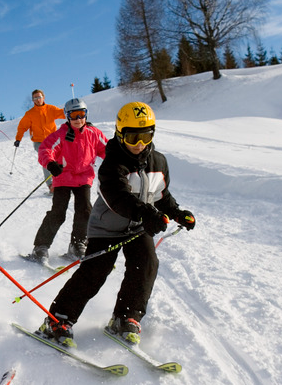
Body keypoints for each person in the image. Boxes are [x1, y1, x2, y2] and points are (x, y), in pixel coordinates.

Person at [37, 101, 195, 347]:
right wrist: (147, 214)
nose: (139, 143)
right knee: (94, 272)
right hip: (106, 228)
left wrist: (177, 213)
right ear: (120, 134)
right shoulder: (112, 164)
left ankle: (126, 317)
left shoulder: (159, 162)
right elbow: (119, 198)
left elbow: (161, 195)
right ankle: (57, 320)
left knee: (147, 262)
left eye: (145, 136)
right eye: (133, 137)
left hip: (137, 227)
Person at [29, 98, 107, 263]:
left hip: (84, 176)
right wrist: (50, 163)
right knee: (58, 212)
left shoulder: (94, 133)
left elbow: (107, 150)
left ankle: (77, 244)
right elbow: (45, 149)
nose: (79, 119)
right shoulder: (61, 134)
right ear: (67, 116)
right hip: (63, 177)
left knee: (85, 210)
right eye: (74, 115)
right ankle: (40, 247)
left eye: (82, 114)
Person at [14, 89, 65, 190]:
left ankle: (62, 182)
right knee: (47, 160)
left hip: (53, 140)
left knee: (59, 160)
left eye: (39, 97)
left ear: (43, 97)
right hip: (39, 142)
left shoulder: (51, 109)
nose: (38, 100)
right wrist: (18, 139)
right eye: (35, 98)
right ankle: (51, 185)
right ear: (32, 100)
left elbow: (63, 113)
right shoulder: (30, 114)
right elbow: (22, 127)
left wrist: (74, 112)